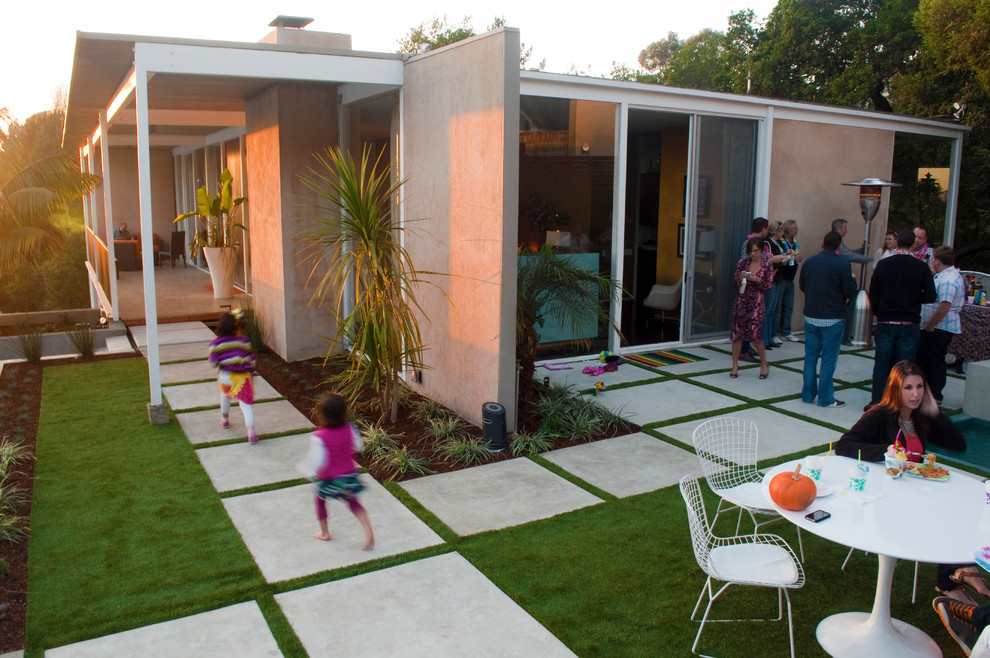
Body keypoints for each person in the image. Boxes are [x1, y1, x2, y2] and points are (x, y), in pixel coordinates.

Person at [836, 361, 973, 603]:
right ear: (895, 390)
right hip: (886, 500)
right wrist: (886, 451)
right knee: (947, 514)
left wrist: (935, 413)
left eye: (920, 387)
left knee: (961, 506)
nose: (916, 394)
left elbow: (958, 445)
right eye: (908, 388)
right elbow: (843, 446)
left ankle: (959, 571)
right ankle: (951, 579)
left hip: (914, 491)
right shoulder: (879, 415)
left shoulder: (920, 417)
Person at [867, 229, 937, 408]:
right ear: (914, 244)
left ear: (897, 243)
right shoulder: (921, 267)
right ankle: (900, 402)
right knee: (905, 366)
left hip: (886, 321)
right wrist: (913, 298)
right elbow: (930, 295)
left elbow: (873, 293)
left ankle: (877, 401)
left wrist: (878, 312)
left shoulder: (883, 265)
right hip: (909, 322)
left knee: (882, 363)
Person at [298, 393, 375, 550]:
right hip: (349, 476)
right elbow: (359, 447)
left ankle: (324, 532)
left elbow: (317, 460)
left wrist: (305, 471)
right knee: (353, 502)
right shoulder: (350, 428)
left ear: (323, 414)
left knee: (319, 500)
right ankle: (368, 532)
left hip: (330, 480)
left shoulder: (319, 436)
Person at [799, 231, 857, 408]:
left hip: (811, 315)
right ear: (839, 246)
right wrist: (853, 280)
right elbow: (850, 291)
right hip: (832, 318)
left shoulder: (810, 262)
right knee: (828, 360)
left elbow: (802, 286)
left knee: (810, 357)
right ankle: (825, 398)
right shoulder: (842, 264)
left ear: (823, 243)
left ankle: (808, 395)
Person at [917, 246, 965, 404]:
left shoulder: (948, 280)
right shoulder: (942, 275)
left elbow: (945, 305)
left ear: (937, 261)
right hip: (935, 326)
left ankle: (935, 394)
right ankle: (926, 391)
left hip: (939, 327)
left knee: (935, 360)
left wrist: (931, 325)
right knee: (926, 358)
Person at [207, 311, 258, 444]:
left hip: (226, 377)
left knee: (225, 396)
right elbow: (252, 359)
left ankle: (225, 420)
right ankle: (251, 432)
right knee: (245, 405)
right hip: (242, 378)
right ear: (236, 326)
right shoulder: (243, 341)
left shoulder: (215, 344)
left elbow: (212, 363)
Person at [730, 237, 773, 379]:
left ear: (761, 251)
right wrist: (741, 277)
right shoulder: (743, 263)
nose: (753, 254)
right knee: (737, 335)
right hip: (741, 301)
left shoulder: (766, 266)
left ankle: (763, 364)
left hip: (756, 303)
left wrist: (757, 280)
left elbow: (768, 286)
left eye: (756, 251)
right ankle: (735, 365)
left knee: (755, 336)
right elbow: (735, 281)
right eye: (751, 251)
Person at [774, 219, 803, 342]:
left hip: (791, 278)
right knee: (777, 308)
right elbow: (782, 258)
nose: (797, 230)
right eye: (795, 228)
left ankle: (786, 332)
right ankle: (775, 334)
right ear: (789, 230)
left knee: (788, 307)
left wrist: (798, 258)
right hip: (781, 278)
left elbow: (793, 256)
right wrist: (792, 257)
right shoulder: (780, 242)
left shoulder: (793, 241)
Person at [762, 220, 785, 348]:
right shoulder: (767, 243)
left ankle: (769, 337)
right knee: (767, 310)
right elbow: (769, 260)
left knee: (772, 310)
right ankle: (764, 339)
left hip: (778, 278)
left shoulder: (778, 243)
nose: (782, 233)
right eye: (781, 231)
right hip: (771, 278)